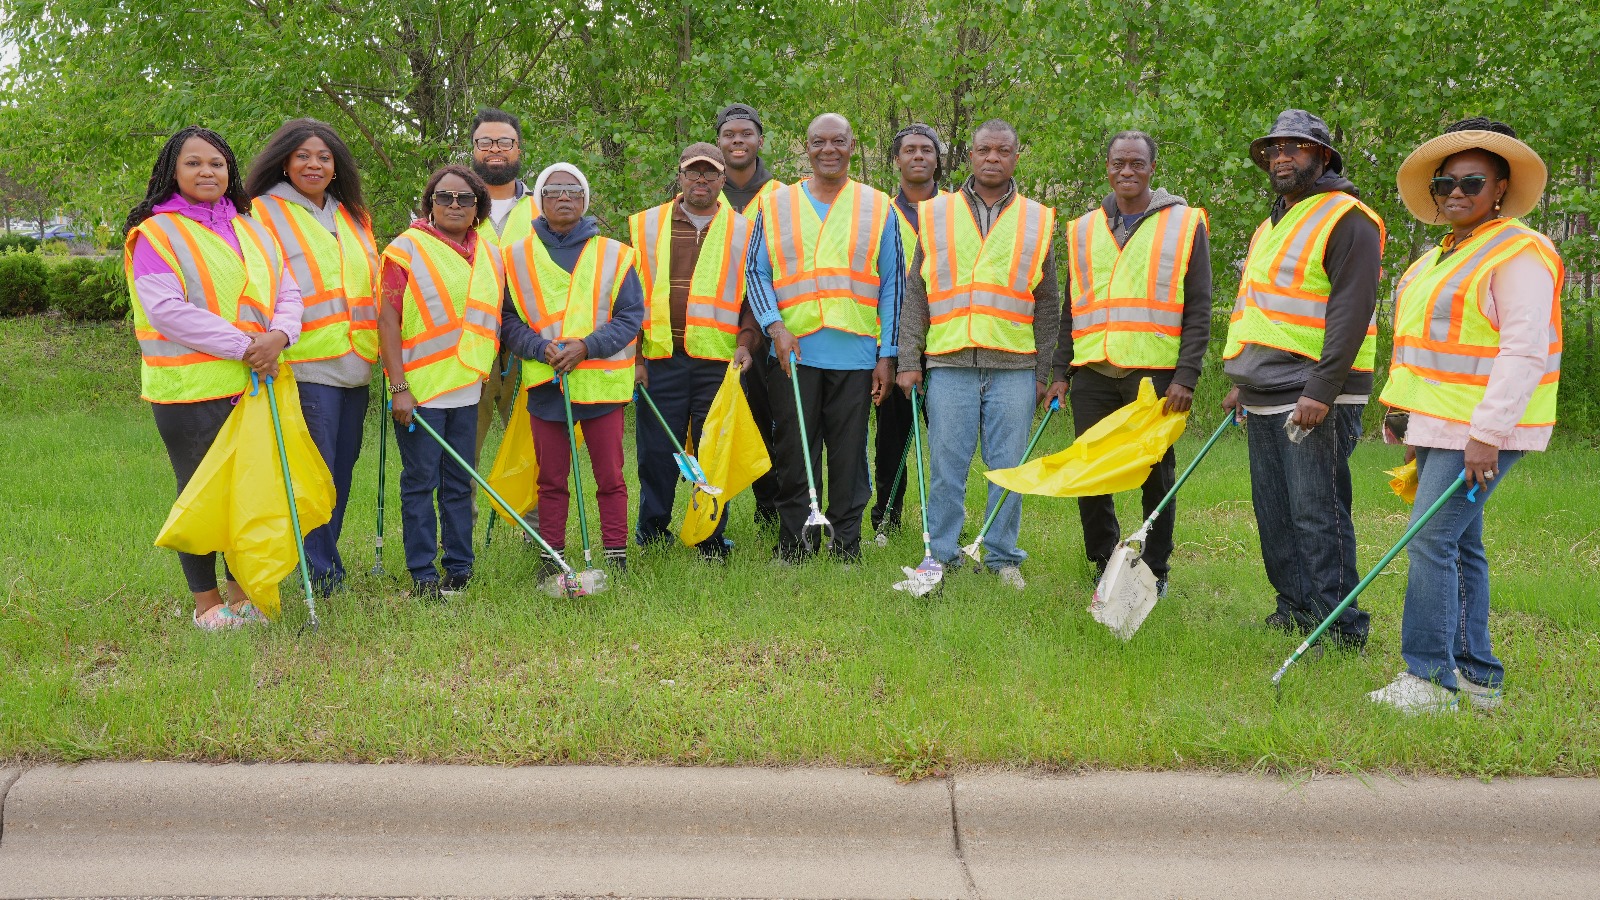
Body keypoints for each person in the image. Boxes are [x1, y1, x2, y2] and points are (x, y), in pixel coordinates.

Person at [1368, 118, 1562, 713]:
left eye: (1471, 181)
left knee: (1429, 540)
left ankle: (1427, 679)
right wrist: (1407, 421)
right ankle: (1476, 677)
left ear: (1500, 186)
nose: (1455, 191)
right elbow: (1423, 348)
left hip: (1479, 431)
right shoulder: (1435, 259)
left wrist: (1487, 435)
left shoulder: (1519, 252)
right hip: (1439, 426)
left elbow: (1524, 349)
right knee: (1460, 543)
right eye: (1443, 183)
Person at [124, 125, 303, 630]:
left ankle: (241, 594)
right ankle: (206, 604)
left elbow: (287, 292)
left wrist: (280, 337)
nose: (207, 171)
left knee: (247, 491)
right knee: (202, 494)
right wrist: (248, 346)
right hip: (191, 390)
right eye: (194, 163)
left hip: (252, 383)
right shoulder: (156, 234)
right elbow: (166, 311)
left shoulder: (252, 228)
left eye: (217, 163)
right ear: (172, 173)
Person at [1221, 109, 1386, 649]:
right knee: (1274, 511)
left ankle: (1340, 627)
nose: (1282, 157)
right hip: (1266, 389)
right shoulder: (1272, 224)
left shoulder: (1349, 219)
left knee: (1317, 514)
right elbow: (1262, 311)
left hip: (1315, 393)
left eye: (1296, 147)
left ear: (1323, 156)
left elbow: (1350, 312)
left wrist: (1322, 390)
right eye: (1275, 149)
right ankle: (1293, 609)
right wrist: (1243, 379)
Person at [1045, 130, 1212, 596]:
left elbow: (1198, 308)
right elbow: (1071, 309)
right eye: (1119, 163)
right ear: (1108, 167)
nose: (1127, 171)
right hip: (1093, 371)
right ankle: (1102, 561)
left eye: (1137, 163)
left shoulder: (1184, 223)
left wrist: (1187, 376)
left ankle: (1155, 568)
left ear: (1152, 168)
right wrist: (1060, 372)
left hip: (1154, 376)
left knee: (1155, 473)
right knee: (1092, 471)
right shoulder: (1083, 228)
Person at [896, 119, 1059, 589]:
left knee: (1008, 468)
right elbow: (916, 294)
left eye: (1002, 150)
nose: (993, 158)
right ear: (970, 156)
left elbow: (1048, 303)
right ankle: (941, 553)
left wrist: (1046, 369)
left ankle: (1002, 556)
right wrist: (910, 360)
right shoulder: (937, 213)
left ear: (1015, 156)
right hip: (948, 363)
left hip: (1015, 365)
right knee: (947, 468)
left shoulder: (1037, 218)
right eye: (983, 149)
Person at [747, 112, 902, 563]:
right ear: (806, 147)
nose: (828, 149)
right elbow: (755, 273)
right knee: (794, 452)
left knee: (849, 456)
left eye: (838, 141)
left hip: (856, 354)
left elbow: (893, 284)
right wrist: (774, 326)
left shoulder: (878, 206)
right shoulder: (774, 205)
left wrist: (887, 355)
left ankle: (845, 544)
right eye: (818, 142)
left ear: (853, 146)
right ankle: (795, 543)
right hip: (793, 353)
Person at [244, 118, 378, 598]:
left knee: (339, 475)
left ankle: (322, 561)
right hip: (305, 366)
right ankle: (319, 574)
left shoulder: (352, 215)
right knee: (311, 474)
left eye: (324, 156)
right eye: (303, 155)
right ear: (284, 161)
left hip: (356, 364)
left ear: (337, 165)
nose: (314, 164)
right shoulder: (261, 212)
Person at [499, 163, 644, 573]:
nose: (564, 197)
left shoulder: (615, 254)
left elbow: (630, 315)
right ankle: (553, 558)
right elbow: (507, 320)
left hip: (601, 385)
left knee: (611, 478)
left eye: (573, 190)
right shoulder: (514, 257)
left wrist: (587, 346)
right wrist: (540, 348)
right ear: (540, 200)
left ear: (585, 200)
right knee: (551, 479)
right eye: (555, 190)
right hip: (547, 384)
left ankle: (616, 556)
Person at [377, 165, 504, 600]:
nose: (454, 205)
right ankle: (422, 574)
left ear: (477, 209)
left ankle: (459, 569)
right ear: (429, 203)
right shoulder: (405, 249)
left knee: (459, 481)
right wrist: (398, 387)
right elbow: (387, 321)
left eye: (464, 199)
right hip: (419, 390)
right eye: (444, 197)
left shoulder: (489, 254)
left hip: (468, 387)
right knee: (420, 481)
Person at [628, 143, 757, 559]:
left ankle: (710, 536)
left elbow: (753, 297)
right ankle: (652, 531)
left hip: (719, 361)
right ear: (679, 176)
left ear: (723, 180)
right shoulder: (646, 226)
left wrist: (745, 343)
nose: (700, 179)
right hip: (660, 357)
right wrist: (637, 359)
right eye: (692, 172)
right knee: (655, 451)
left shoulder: (745, 230)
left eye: (710, 173)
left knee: (713, 451)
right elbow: (626, 298)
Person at [871, 123, 947, 535]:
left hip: (948, 340)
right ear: (896, 159)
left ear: (938, 159)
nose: (918, 156)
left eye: (927, 150)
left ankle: (944, 523)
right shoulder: (878, 210)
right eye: (909, 150)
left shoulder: (956, 210)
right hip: (893, 343)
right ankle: (886, 519)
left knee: (946, 444)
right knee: (891, 439)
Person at [468, 109, 541, 535]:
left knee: (534, 445)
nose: (496, 150)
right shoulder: (452, 200)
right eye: (486, 143)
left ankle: (540, 537)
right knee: (462, 450)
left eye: (505, 142)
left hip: (529, 346)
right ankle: (460, 545)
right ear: (473, 149)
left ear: (518, 149)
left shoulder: (542, 204)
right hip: (467, 347)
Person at [716, 103, 786, 526]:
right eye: (729, 134)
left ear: (760, 140)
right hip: (714, 324)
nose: (737, 141)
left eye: (746, 133)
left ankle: (770, 506)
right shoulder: (701, 189)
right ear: (719, 142)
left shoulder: (781, 194)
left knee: (770, 418)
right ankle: (711, 508)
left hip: (767, 323)